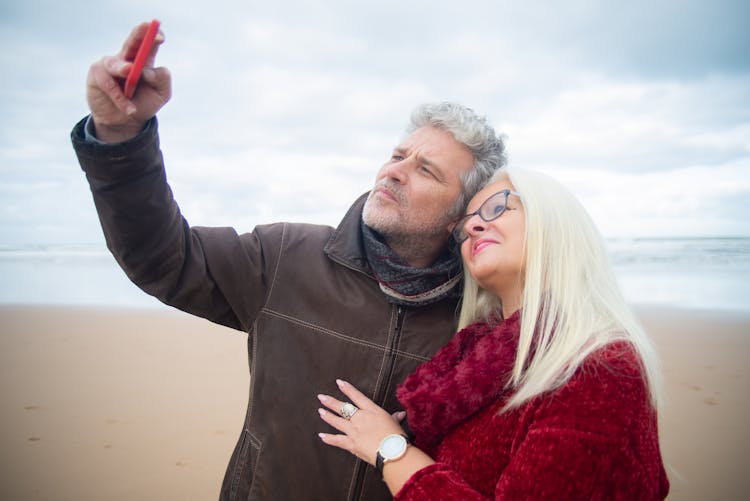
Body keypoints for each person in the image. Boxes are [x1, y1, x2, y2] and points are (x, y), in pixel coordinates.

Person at [70, 22, 506, 501]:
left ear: (458, 216)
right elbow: (161, 258)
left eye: (425, 170)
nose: (394, 172)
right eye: (398, 155)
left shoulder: (484, 319)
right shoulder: (286, 257)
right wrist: (119, 135)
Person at [317, 167, 670, 499]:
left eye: (498, 207)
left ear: (553, 221)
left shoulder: (600, 369)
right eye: (465, 226)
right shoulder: (477, 359)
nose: (471, 229)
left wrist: (391, 451)